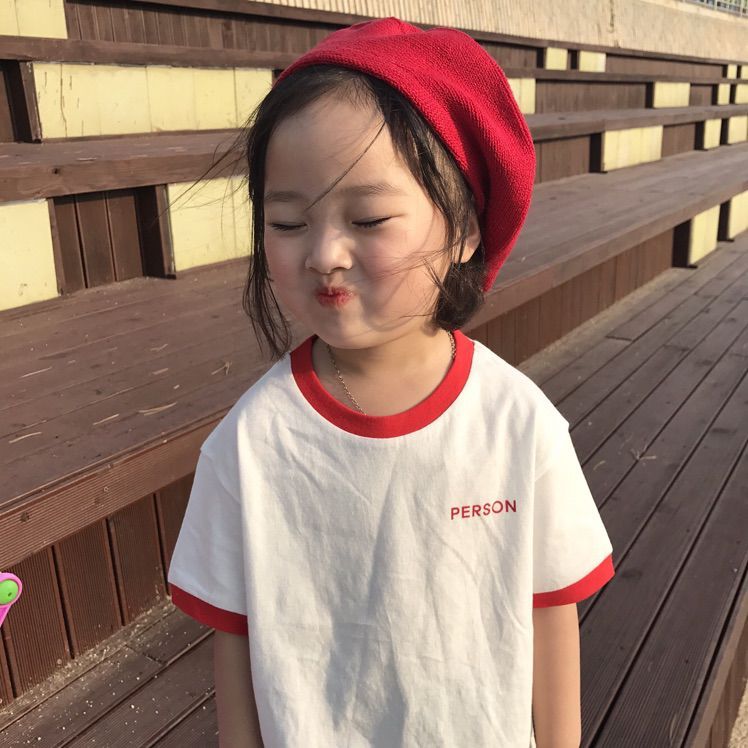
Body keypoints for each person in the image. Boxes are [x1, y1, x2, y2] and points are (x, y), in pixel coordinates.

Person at [167, 17, 615, 748]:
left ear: (465, 227)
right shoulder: (250, 443)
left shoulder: (516, 424)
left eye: (369, 218)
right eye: (287, 222)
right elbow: (236, 642)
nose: (324, 254)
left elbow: (549, 612)